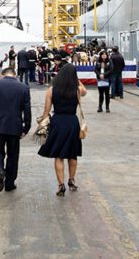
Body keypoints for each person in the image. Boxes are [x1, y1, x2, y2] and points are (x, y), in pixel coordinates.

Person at [37, 63, 87, 197]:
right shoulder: (77, 90)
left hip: (57, 122)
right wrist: (76, 80)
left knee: (59, 155)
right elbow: (85, 90)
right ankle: (72, 179)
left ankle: (61, 185)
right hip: (72, 122)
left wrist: (42, 125)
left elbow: (46, 111)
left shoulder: (51, 90)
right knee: (72, 153)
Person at [0, 67, 31, 192]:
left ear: (2, 74)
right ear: (15, 75)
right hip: (15, 126)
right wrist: (26, 127)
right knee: (13, 155)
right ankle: (9, 183)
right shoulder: (23, 88)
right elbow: (27, 110)